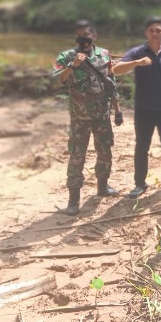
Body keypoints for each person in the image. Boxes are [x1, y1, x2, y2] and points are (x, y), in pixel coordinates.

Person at [52, 20, 122, 216]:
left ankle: (102, 185)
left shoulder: (104, 54)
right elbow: (58, 80)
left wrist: (117, 110)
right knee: (77, 156)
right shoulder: (66, 57)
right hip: (79, 117)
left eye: (87, 34)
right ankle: (73, 200)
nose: (84, 37)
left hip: (101, 115)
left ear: (94, 36)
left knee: (105, 150)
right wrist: (72, 66)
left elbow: (111, 84)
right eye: (80, 34)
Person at [113, 16, 161, 198]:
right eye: (151, 30)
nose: (154, 33)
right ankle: (139, 183)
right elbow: (116, 69)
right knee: (141, 146)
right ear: (146, 33)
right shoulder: (137, 52)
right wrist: (136, 62)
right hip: (143, 109)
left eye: (158, 30)